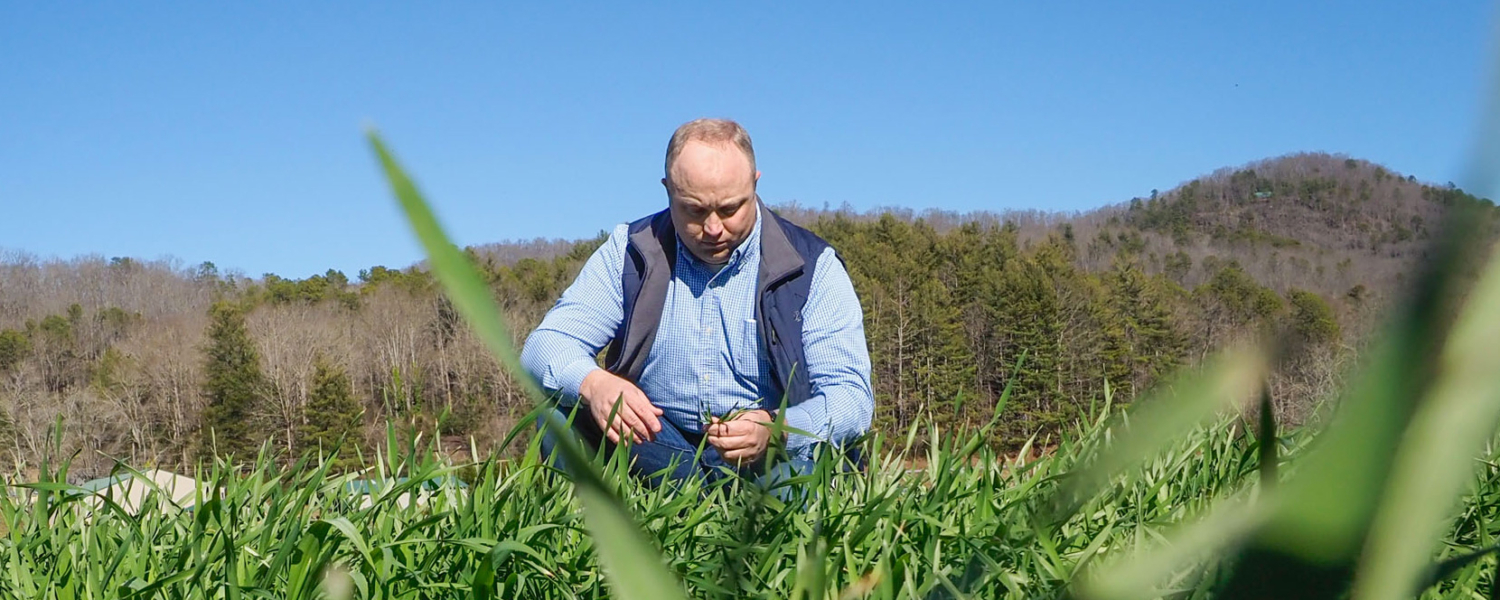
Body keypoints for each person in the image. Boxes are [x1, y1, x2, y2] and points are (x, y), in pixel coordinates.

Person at [520, 118, 874, 485]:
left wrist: (780, 429)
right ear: (668, 191)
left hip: (769, 456)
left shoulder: (811, 265)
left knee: (799, 471)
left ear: (754, 184)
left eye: (730, 208)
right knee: (562, 411)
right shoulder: (632, 250)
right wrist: (595, 385)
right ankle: (589, 535)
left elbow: (851, 398)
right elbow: (545, 345)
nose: (713, 228)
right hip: (658, 444)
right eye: (694, 210)